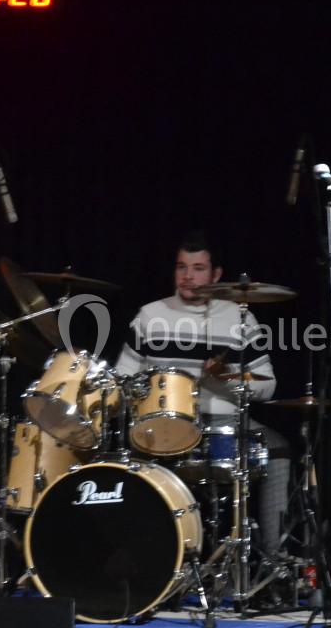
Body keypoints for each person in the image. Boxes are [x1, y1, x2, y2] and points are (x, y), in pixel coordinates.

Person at [115, 232, 292, 566]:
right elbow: (122, 375)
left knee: (279, 451)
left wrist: (226, 379)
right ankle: (144, 563)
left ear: (215, 275)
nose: (188, 276)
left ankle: (274, 562)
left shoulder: (238, 318)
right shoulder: (150, 316)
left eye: (198, 269)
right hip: (161, 424)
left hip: (225, 425)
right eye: (182, 267)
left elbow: (268, 385)